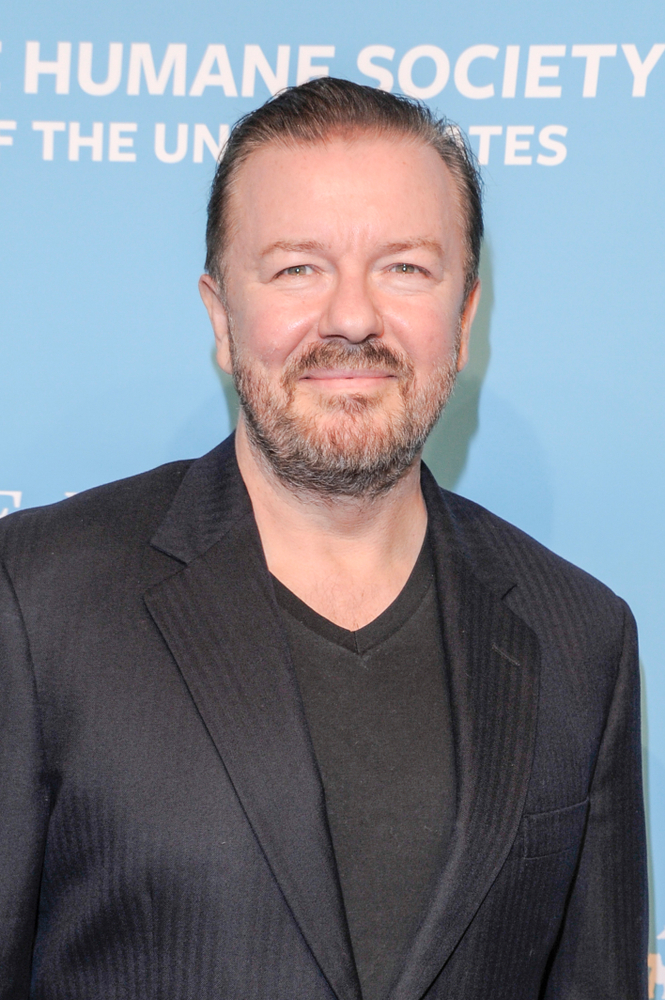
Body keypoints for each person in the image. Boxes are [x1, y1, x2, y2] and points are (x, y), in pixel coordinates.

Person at [0, 78, 647, 1000]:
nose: (351, 318)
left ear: (464, 318)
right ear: (221, 316)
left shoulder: (581, 638)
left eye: (404, 268)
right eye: (297, 268)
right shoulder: (35, 601)